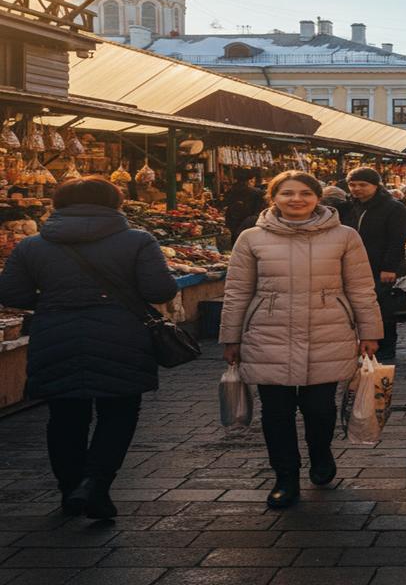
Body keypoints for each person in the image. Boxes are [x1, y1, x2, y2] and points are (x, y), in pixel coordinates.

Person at [0, 176, 178, 519]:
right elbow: (160, 291)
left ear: (58, 204)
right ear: (117, 203)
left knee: (65, 415)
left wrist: (53, 298)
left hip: (55, 335)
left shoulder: (32, 246)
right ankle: (96, 483)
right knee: (119, 413)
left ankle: (70, 490)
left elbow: (12, 295)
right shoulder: (138, 241)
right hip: (122, 337)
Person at [220, 171, 382, 509]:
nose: (296, 199)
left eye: (305, 193)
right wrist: (231, 337)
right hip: (268, 332)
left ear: (317, 197)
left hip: (327, 330)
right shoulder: (251, 238)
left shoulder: (344, 236)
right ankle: (285, 477)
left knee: (319, 407)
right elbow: (237, 292)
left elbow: (361, 287)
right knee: (276, 412)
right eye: (287, 193)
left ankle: (321, 454)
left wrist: (370, 332)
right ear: (273, 198)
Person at [343, 167, 406, 362]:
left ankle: (386, 349)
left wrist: (390, 267)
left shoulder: (393, 207)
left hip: (379, 267)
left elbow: (398, 239)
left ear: (375, 185)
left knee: (382, 309)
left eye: (363, 185)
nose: (357, 189)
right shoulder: (349, 207)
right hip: (352, 266)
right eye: (352, 184)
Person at [221, 170, 264, 243]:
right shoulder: (257, 192)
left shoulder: (231, 191)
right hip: (249, 223)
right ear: (249, 180)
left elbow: (225, 205)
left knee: (235, 242)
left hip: (233, 222)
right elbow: (259, 210)